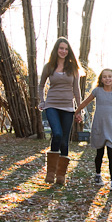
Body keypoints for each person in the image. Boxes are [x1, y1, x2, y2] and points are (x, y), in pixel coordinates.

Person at [75, 69, 112, 191]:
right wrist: (77, 112)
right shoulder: (97, 91)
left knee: (111, 153)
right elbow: (85, 102)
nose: (107, 79)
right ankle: (98, 175)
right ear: (101, 79)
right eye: (105, 77)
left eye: (110, 77)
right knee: (99, 153)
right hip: (99, 126)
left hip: (111, 126)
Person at [39, 37, 82, 185]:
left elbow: (76, 90)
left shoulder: (73, 68)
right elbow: (41, 85)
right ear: (56, 50)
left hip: (68, 107)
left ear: (68, 51)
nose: (63, 51)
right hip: (51, 105)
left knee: (64, 141)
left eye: (66, 49)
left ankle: (60, 175)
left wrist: (79, 110)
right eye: (61, 48)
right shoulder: (49, 66)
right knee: (56, 134)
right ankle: (50, 172)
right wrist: (42, 101)